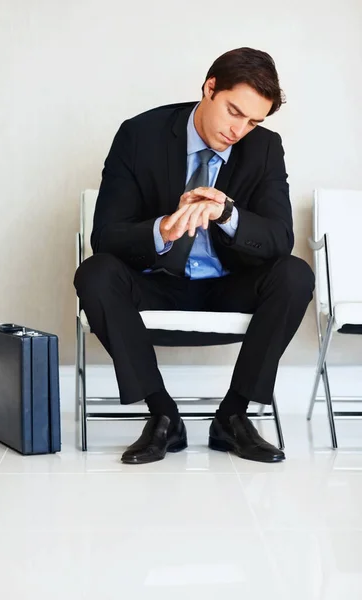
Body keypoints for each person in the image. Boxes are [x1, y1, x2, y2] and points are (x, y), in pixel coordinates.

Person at [74, 47, 315, 465]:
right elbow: (106, 236)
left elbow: (280, 238)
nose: (240, 130)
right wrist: (162, 229)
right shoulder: (140, 135)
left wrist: (229, 213)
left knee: (295, 274)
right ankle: (163, 414)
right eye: (234, 112)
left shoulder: (264, 148)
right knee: (95, 274)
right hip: (156, 282)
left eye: (254, 121)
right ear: (209, 88)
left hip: (228, 286)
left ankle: (233, 415)